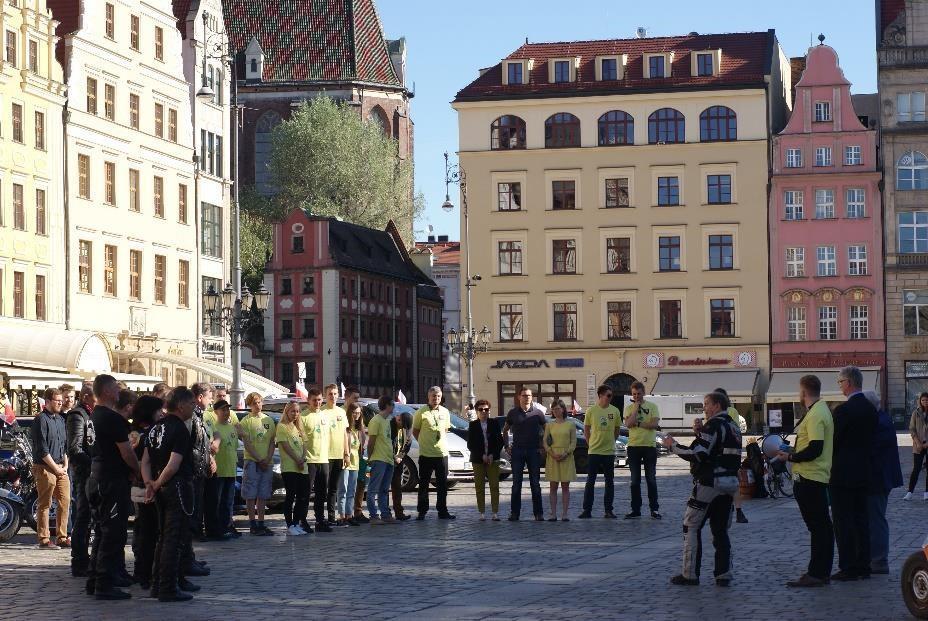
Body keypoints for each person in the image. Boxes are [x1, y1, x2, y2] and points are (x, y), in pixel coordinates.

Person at [662, 391, 741, 586]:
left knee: (691, 525)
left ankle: (690, 574)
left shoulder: (713, 425)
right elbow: (718, 450)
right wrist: (699, 432)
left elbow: (698, 454)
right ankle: (723, 574)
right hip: (729, 484)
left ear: (717, 405)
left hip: (709, 483)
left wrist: (673, 446)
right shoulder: (733, 426)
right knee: (721, 530)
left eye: (706, 404)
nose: (704, 408)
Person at [85, 374, 141, 599]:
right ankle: (104, 584)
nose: (119, 393)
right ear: (107, 392)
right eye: (116, 389)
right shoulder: (112, 419)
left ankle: (94, 579)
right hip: (111, 479)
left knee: (101, 530)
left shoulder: (93, 417)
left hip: (96, 477)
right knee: (112, 533)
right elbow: (126, 452)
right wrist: (138, 471)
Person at [777, 375, 835, 587]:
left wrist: (790, 457)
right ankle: (821, 571)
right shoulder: (819, 411)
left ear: (803, 392)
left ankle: (817, 573)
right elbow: (811, 446)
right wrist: (793, 451)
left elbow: (815, 448)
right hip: (814, 475)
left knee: (818, 528)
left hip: (811, 477)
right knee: (822, 527)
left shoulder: (816, 414)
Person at [143, 386, 197, 602]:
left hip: (160, 487)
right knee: (174, 539)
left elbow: (146, 460)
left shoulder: (156, 427)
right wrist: (156, 484)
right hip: (176, 487)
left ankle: (158, 584)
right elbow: (173, 465)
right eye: (191, 403)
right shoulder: (180, 429)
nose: (193, 407)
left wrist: (149, 482)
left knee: (163, 537)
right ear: (181, 405)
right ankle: (167, 587)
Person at [829, 366, 878, 581]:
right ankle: (864, 565)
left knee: (842, 521)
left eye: (840, 382)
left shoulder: (843, 411)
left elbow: (834, 442)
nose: (839, 386)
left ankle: (848, 566)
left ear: (848, 383)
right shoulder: (870, 409)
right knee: (861, 520)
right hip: (864, 471)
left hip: (842, 473)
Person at [863, 390, 903, 575]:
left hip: (878, 479)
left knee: (876, 519)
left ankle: (879, 561)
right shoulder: (882, 419)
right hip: (880, 478)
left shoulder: (879, 423)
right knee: (874, 519)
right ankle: (874, 558)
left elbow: (872, 451)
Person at [31, 387, 71, 549]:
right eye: (57, 400)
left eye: (61, 400)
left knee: (65, 501)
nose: (61, 403)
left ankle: (62, 536)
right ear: (47, 402)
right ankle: (44, 539)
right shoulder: (41, 420)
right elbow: (42, 449)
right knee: (45, 504)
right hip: (45, 467)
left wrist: (65, 464)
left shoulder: (61, 420)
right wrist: (55, 468)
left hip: (61, 467)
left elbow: (64, 446)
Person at [130, 396, 163, 590]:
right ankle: (144, 572)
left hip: (143, 484)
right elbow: (142, 461)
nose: (161, 414)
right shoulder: (143, 434)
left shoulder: (139, 431)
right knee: (147, 530)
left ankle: (143, 571)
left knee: (145, 529)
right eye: (158, 410)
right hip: (145, 486)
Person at [504, 387, 546, 521]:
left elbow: (547, 431)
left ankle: (538, 513)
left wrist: (543, 446)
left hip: (534, 451)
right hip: (517, 451)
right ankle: (514, 513)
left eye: (529, 395)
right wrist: (506, 446)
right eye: (524, 395)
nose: (527, 397)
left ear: (532, 397)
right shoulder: (513, 413)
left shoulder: (538, 413)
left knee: (535, 483)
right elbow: (505, 430)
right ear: (519, 397)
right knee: (516, 483)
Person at [413, 387, 455, 520]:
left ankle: (442, 511)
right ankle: (422, 511)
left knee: (442, 485)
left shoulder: (445, 412)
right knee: (424, 484)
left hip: (441, 453)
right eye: (433, 396)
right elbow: (415, 431)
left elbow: (446, 429)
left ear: (441, 397)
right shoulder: (421, 412)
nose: (435, 398)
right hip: (426, 454)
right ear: (428, 397)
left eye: (438, 396)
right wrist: (424, 442)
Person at [237, 392, 276, 536]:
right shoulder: (246, 421)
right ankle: (252, 523)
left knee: (263, 494)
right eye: (254, 403)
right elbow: (247, 444)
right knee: (251, 493)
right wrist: (259, 459)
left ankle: (261, 522)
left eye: (259, 402)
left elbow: (272, 441)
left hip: (267, 461)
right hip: (252, 461)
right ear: (250, 405)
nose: (258, 405)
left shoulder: (269, 420)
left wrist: (267, 458)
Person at [67, 383, 95, 577]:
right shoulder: (78, 415)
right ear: (86, 397)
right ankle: (79, 560)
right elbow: (75, 448)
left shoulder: (92, 414)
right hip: (84, 473)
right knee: (83, 517)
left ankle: (85, 560)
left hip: (92, 473)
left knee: (89, 517)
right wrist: (95, 463)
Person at [622, 382, 661, 520]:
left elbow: (654, 425)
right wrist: (636, 408)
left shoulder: (652, 407)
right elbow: (628, 424)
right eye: (634, 394)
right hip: (633, 447)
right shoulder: (628, 408)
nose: (636, 396)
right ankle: (635, 509)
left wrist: (638, 423)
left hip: (649, 446)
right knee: (634, 481)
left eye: (638, 393)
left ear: (643, 392)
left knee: (651, 479)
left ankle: (654, 509)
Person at [203, 400, 237, 541]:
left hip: (231, 469)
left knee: (228, 501)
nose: (226, 412)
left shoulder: (231, 427)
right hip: (219, 470)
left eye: (227, 410)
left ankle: (227, 526)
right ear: (215, 412)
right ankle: (217, 528)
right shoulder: (214, 427)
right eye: (223, 410)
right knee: (217, 501)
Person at [301, 388, 333, 533]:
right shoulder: (303, 416)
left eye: (320, 399)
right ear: (308, 400)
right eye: (314, 400)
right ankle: (302, 520)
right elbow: (300, 440)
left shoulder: (325, 415)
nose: (318, 403)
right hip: (310, 459)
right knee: (306, 492)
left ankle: (320, 520)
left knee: (322, 493)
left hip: (324, 458)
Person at [467, 399, 504, 521]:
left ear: (489, 411)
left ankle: (495, 512)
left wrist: (492, 454)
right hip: (478, 460)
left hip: (493, 459)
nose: (484, 412)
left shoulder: (494, 423)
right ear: (477, 411)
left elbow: (500, 442)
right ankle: (482, 512)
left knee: (494, 485)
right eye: (481, 409)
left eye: (486, 409)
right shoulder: (473, 425)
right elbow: (470, 444)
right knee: (479, 486)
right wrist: (481, 455)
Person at [276, 401, 309, 536]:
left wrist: (303, 458)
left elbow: (305, 445)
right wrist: (297, 459)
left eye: (297, 411)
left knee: (303, 496)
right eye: (292, 411)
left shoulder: (299, 427)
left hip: (302, 467)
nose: (295, 414)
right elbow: (285, 446)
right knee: (291, 495)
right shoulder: (282, 426)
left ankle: (296, 522)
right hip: (290, 467)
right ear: (287, 412)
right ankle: (290, 524)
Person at [715, 387, 748, 524]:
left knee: (719, 481)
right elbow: (736, 430)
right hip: (734, 454)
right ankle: (738, 511)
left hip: (721, 454)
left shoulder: (719, 414)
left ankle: (728, 509)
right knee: (734, 482)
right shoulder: (733, 411)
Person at [544, 399, 576, 521]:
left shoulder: (570, 424)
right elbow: (545, 441)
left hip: (566, 457)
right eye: (554, 409)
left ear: (563, 409)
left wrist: (566, 453)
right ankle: (553, 513)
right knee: (553, 486)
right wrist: (551, 453)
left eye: (558, 408)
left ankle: (565, 513)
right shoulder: (549, 424)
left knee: (565, 486)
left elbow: (573, 442)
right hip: (553, 457)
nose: (556, 411)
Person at [322, 383, 349, 525]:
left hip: (339, 454)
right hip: (325, 455)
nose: (332, 396)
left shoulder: (341, 412)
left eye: (335, 393)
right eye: (330, 394)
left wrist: (347, 453)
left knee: (334, 488)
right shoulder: (322, 411)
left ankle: (331, 517)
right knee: (323, 488)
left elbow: (345, 433)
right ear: (325, 396)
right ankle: (321, 517)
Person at [367, 395, 395, 524]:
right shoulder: (376, 420)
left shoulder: (388, 420)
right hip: (378, 459)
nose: (394, 407)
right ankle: (373, 515)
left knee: (384, 489)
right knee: (373, 489)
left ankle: (385, 514)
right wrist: (370, 457)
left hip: (388, 459)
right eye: (392, 405)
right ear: (387, 406)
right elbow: (371, 442)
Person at [338, 403, 363, 526]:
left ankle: (349, 514)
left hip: (355, 463)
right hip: (345, 462)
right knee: (343, 489)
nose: (356, 416)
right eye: (354, 413)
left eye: (358, 413)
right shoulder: (346, 428)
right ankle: (342, 516)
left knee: (352, 490)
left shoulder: (357, 430)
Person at [390, 408, 413, 521]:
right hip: (388, 460)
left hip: (398, 462)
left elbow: (408, 443)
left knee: (397, 488)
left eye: (403, 425)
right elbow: (386, 442)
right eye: (399, 421)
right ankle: (386, 513)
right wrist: (393, 456)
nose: (399, 424)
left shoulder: (406, 428)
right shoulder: (390, 425)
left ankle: (399, 513)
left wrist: (400, 456)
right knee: (384, 488)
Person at [905, 392, 928, 501]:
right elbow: (912, 429)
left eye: (926, 400)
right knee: (916, 469)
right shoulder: (916, 412)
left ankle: (926, 493)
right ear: (920, 401)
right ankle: (910, 492)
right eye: (923, 400)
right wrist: (918, 443)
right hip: (918, 445)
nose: (925, 402)